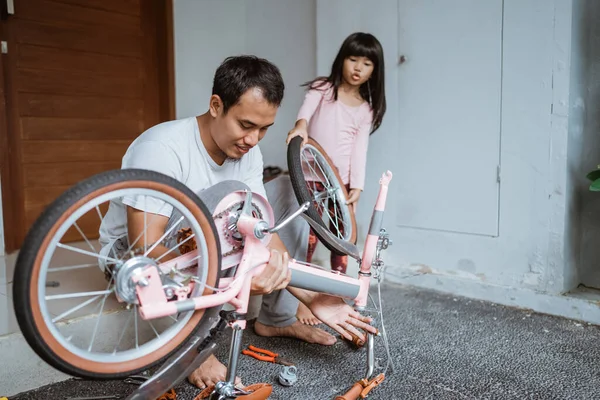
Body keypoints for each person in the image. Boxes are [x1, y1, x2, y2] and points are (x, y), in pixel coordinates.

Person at [98, 55, 376, 390]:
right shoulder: (161, 148)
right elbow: (148, 248)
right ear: (216, 105)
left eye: (264, 129)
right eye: (245, 125)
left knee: (290, 193)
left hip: (209, 243)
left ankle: (276, 317)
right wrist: (199, 346)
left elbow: (266, 233)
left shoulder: (248, 152)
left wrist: (311, 295)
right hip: (136, 257)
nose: (253, 140)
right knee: (220, 203)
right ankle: (190, 345)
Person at [286, 32, 387, 325]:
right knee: (307, 237)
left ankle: (334, 294)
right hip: (309, 176)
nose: (357, 68)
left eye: (366, 63)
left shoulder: (365, 109)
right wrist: (300, 127)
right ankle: (302, 298)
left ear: (374, 71)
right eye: (352, 59)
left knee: (341, 240)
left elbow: (360, 149)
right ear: (341, 59)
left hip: (338, 183)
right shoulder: (323, 88)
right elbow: (304, 114)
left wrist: (357, 185)